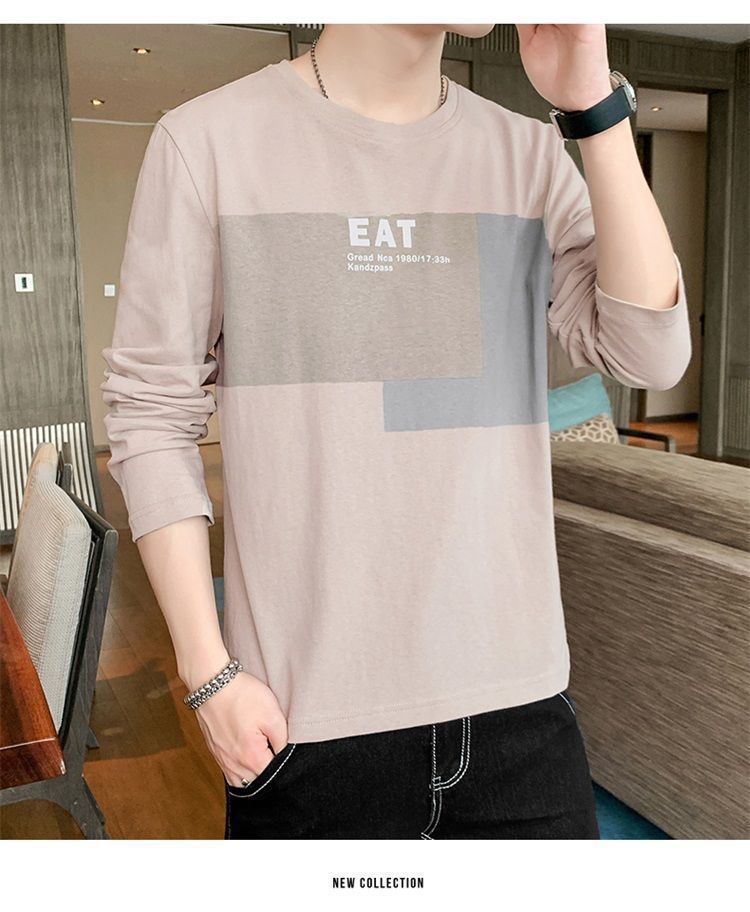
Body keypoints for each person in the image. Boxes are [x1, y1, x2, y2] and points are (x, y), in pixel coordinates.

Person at [100, 23, 691, 839]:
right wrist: (209, 675)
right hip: (305, 719)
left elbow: (650, 355)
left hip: (520, 705)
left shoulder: (528, 153)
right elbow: (151, 411)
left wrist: (594, 109)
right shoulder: (207, 142)